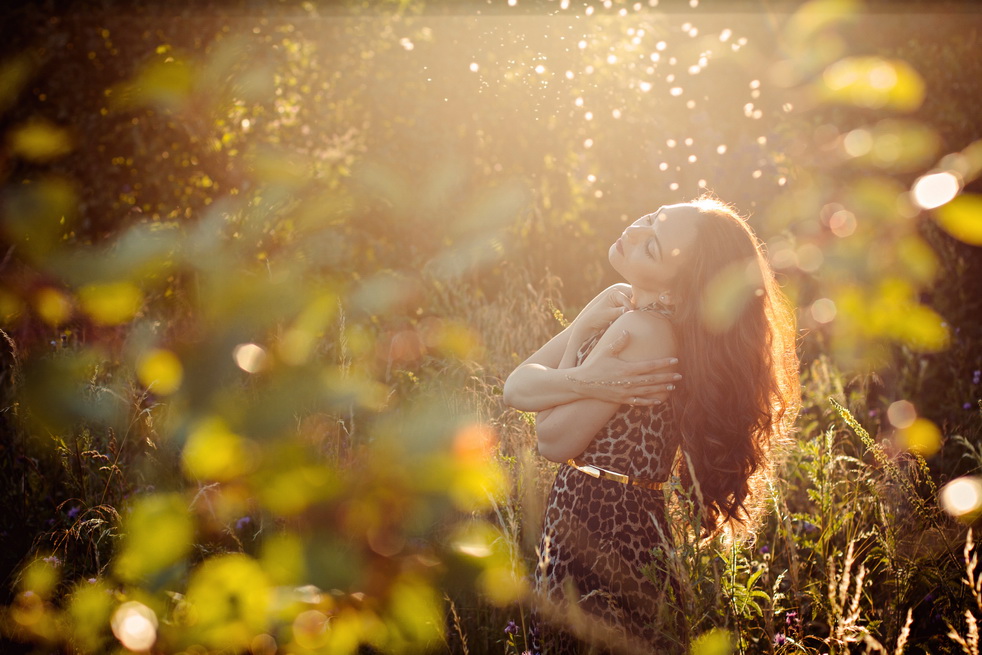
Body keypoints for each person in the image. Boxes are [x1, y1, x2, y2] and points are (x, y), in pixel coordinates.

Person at [503, 196, 800, 654]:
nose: (635, 233)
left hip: (605, 527)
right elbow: (515, 387)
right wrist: (584, 348)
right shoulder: (621, 311)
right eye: (651, 218)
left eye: (654, 247)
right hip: (596, 514)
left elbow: (551, 437)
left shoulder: (645, 332)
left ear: (679, 290)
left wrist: (575, 372)